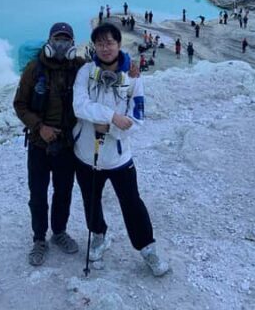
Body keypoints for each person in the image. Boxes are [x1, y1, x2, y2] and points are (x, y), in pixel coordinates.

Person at [72, 23, 169, 277]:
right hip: (86, 154)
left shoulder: (133, 78)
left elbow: (136, 118)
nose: (106, 48)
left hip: (118, 156)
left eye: (110, 42)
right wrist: (112, 116)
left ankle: (147, 248)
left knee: (132, 203)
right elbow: (79, 106)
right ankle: (99, 235)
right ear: (95, 46)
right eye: (100, 43)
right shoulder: (85, 72)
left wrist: (110, 127)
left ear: (118, 44)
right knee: (90, 200)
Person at [13, 22, 84, 266]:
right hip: (38, 144)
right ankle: (39, 239)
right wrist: (39, 127)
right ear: (50, 41)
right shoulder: (35, 69)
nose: (62, 43)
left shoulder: (79, 67)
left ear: (73, 43)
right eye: (58, 39)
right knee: (38, 194)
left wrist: (130, 70)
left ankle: (59, 232)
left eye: (66, 39)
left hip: (67, 145)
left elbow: (106, 72)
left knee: (63, 192)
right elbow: (19, 105)